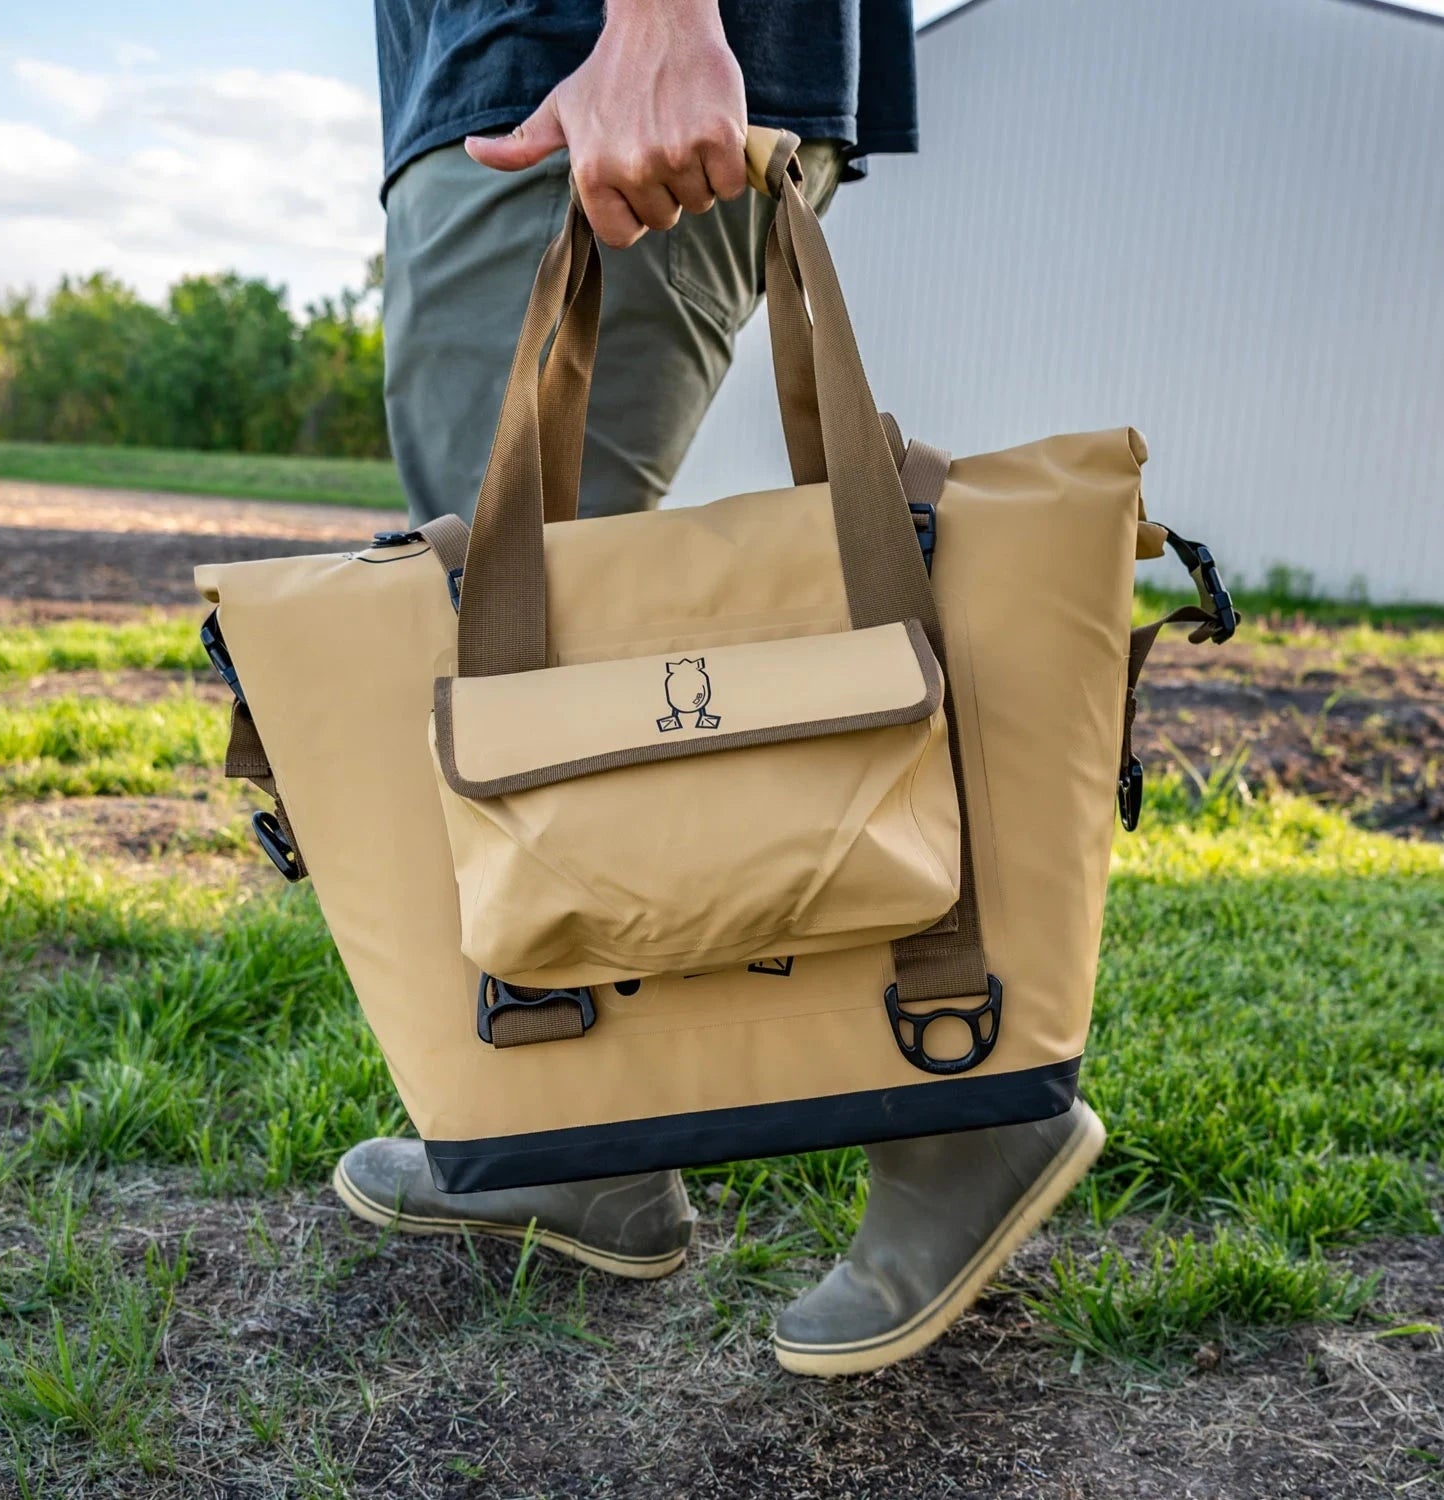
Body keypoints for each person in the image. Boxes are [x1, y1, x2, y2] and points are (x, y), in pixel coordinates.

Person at [334, 0, 1105, 1377]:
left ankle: (963, 1100)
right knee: (531, 635)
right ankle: (579, 1136)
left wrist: (663, 20)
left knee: (513, 606)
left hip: (582, 52)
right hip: (524, 64)